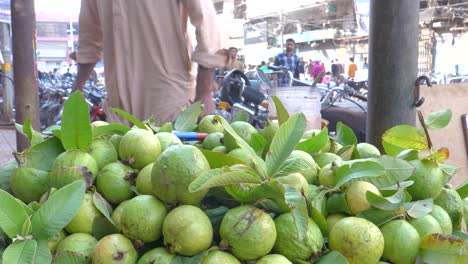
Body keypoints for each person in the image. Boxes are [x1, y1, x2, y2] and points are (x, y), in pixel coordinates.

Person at [72, 0, 228, 123]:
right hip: (119, 100)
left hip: (167, 94)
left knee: (171, 158)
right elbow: (89, 39)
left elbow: (207, 21)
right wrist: (76, 92)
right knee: (119, 160)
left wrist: (204, 92)